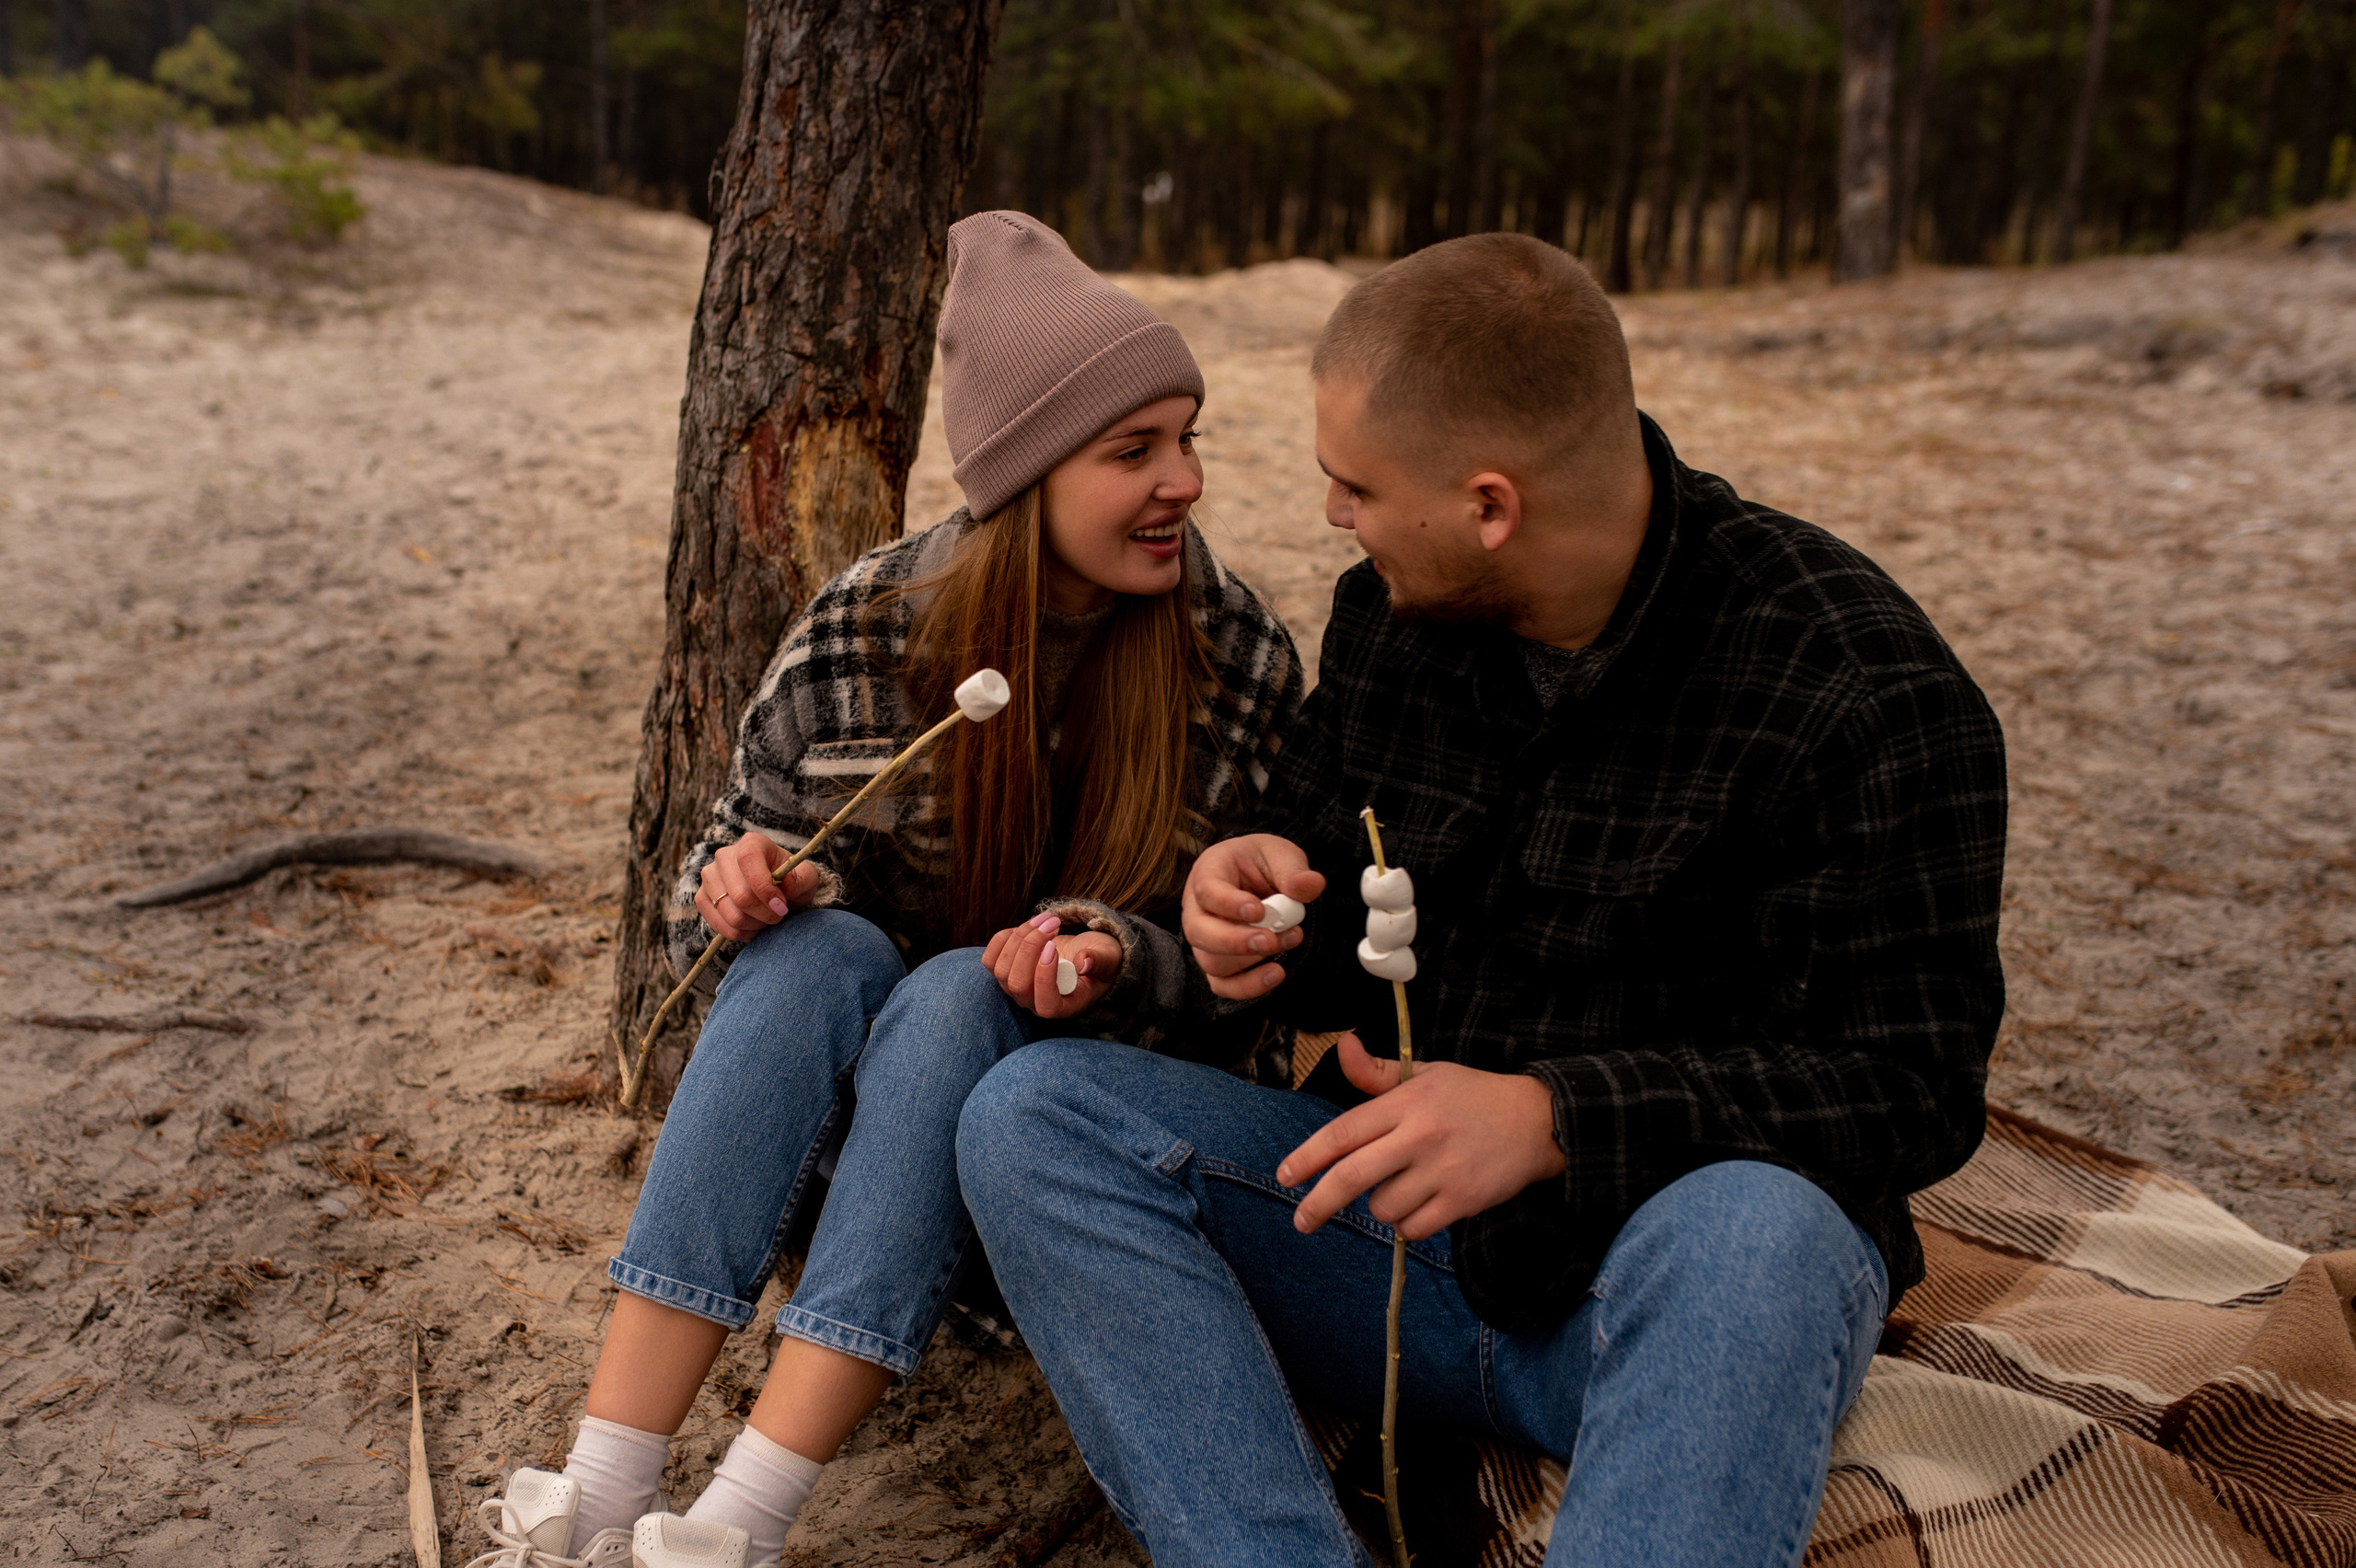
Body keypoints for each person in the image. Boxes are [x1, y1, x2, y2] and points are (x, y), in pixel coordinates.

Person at [953, 233, 2008, 1568]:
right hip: (1379, 1257)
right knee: (1032, 1117)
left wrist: (1557, 1119)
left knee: (1769, 1224)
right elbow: (1335, 949)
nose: (1334, 516)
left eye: (1358, 487)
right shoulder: (1391, 619)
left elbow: (1912, 1087)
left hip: (1663, 1292)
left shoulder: (1863, 691)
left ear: (1490, 505)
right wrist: (1250, 903)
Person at [467, 212, 1303, 1568]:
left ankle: (737, 1525)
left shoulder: (1238, 657)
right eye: (1134, 450)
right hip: (822, 1165)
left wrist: (1113, 956)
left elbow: (1245, 994)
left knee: (956, 996)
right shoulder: (866, 627)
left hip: (1052, 1174)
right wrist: (742, 885)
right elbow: (718, 904)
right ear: (1027, 472)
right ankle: (602, 1490)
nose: (1186, 482)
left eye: (1187, 438)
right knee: (817, 958)